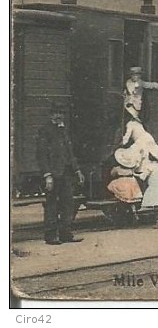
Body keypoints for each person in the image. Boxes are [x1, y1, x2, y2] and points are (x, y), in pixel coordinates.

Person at [36, 103, 84, 245]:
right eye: (56, 113)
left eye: (61, 113)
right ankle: (51, 236)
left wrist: (77, 170)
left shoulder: (63, 131)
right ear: (51, 115)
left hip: (66, 173)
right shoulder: (44, 131)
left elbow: (70, 153)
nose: (59, 116)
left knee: (67, 203)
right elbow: (42, 155)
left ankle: (65, 234)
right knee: (51, 205)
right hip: (53, 174)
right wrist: (47, 175)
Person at [134, 137, 158, 227]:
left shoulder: (150, 166)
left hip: (154, 187)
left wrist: (135, 174)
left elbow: (143, 177)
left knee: (155, 205)